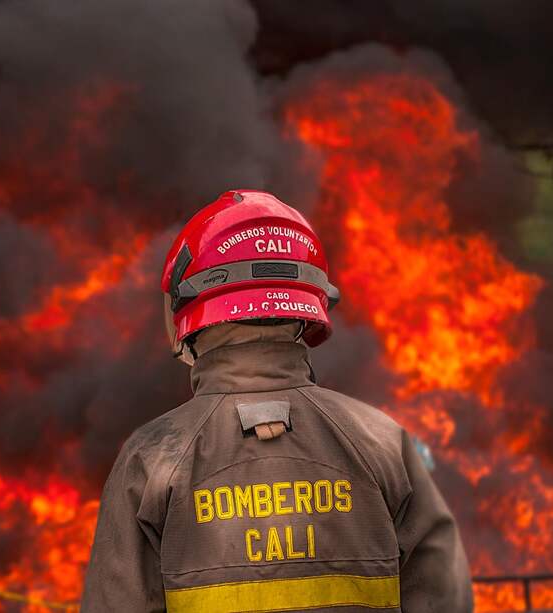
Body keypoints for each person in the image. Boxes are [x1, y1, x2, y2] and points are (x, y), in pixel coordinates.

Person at [82, 190, 472, 612]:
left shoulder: (151, 460)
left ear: (184, 302)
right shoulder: (383, 444)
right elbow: (444, 598)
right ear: (312, 299)